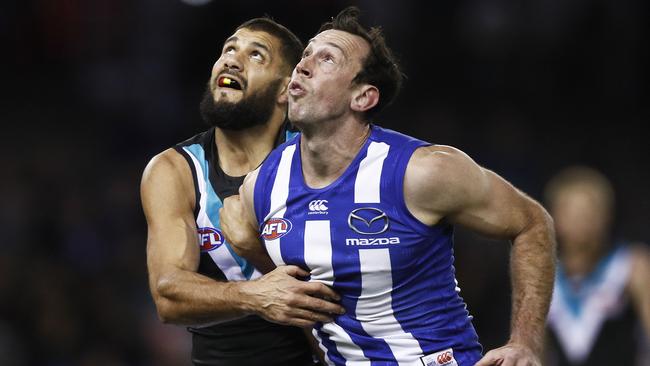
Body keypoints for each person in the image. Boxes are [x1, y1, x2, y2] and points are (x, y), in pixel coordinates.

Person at [220, 7, 557, 366]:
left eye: (327, 59)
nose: (302, 66)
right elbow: (295, 299)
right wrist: (252, 277)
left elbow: (532, 223)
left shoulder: (422, 170)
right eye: (306, 55)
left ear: (363, 97)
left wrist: (525, 343)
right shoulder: (262, 186)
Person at [140, 17, 345, 366]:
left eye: (256, 55)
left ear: (286, 89)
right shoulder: (174, 170)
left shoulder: (322, 164)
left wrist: (255, 251)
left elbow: (348, 299)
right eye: (229, 49)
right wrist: (255, 296)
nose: (232, 59)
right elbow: (168, 295)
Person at [543, 166, 650, 366]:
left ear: (607, 215)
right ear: (553, 216)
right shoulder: (542, 275)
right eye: (572, 212)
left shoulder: (631, 265)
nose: (581, 221)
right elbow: (534, 349)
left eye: (590, 211)